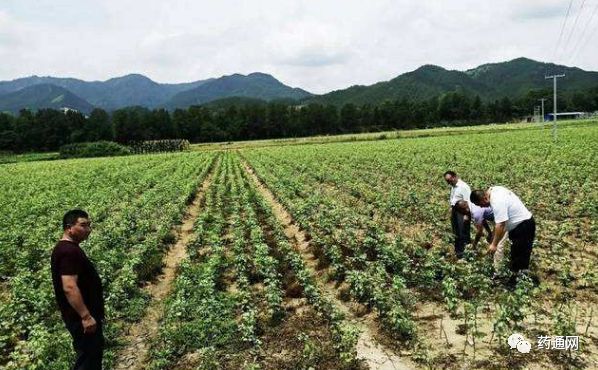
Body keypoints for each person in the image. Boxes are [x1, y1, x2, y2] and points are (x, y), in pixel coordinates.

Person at [51, 209, 104, 370]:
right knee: (88, 360)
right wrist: (86, 316)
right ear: (69, 228)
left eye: (89, 225)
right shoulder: (68, 251)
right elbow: (69, 286)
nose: (88, 229)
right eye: (83, 225)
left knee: (90, 357)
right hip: (81, 319)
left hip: (82, 317)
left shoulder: (68, 248)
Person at [470, 186, 535, 274]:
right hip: (519, 225)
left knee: (521, 255)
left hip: (523, 226)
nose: (481, 207)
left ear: (485, 198)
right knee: (516, 253)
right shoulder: (494, 190)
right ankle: (517, 275)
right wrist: (493, 238)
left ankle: (520, 280)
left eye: (480, 204)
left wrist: (494, 245)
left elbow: (500, 224)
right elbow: (502, 224)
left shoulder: (496, 202)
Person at [454, 199, 508, 272]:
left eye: (462, 212)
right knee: (492, 242)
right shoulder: (471, 204)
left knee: (497, 245)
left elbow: (479, 232)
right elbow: (483, 219)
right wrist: (489, 232)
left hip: (504, 220)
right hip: (499, 219)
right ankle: (492, 264)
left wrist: (474, 244)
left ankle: (499, 271)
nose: (463, 215)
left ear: (464, 209)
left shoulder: (475, 212)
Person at [444, 171, 471, 259]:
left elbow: (468, 202)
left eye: (449, 180)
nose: (448, 183)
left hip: (463, 212)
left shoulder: (464, 187)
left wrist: (466, 215)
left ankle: (466, 254)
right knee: (456, 232)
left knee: (463, 232)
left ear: (455, 177)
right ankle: (458, 252)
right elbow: (453, 199)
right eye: (447, 181)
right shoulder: (453, 186)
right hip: (455, 211)